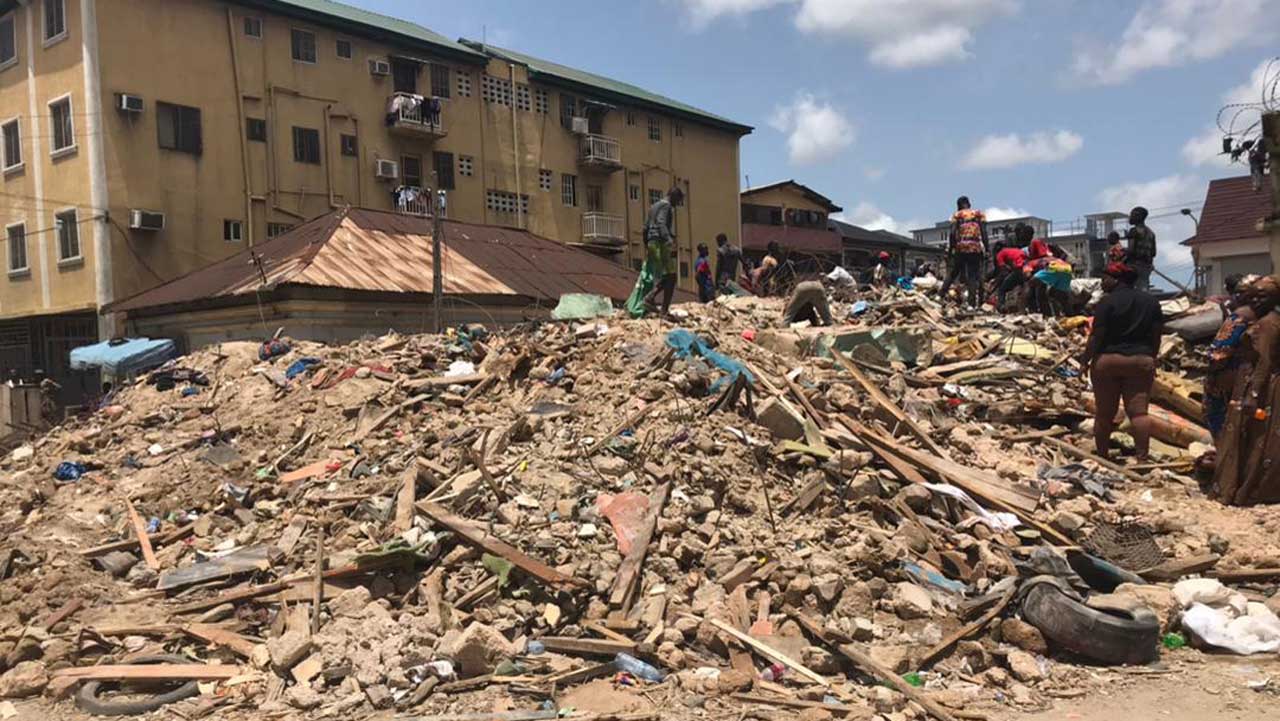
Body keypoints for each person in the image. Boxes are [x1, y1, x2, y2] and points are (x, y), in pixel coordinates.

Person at [1080, 262, 1163, 461]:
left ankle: (1101, 455)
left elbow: (1096, 336)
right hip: (1140, 361)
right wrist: (1151, 357)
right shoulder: (1151, 302)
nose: (1102, 281)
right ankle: (1142, 458)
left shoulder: (1106, 303)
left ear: (1116, 279)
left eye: (1105, 277)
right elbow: (1157, 334)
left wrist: (1085, 360)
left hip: (1108, 362)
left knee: (1104, 414)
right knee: (1139, 414)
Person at [1209, 275, 1280, 505]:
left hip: (1259, 385)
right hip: (1257, 383)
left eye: (1263, 295)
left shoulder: (1266, 323)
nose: (1257, 299)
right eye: (1254, 294)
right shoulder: (1267, 319)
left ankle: (1245, 489)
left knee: (1252, 437)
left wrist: (1253, 394)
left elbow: (1264, 361)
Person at [1203, 276, 1264, 440]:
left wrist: (1209, 370)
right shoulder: (1271, 316)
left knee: (1225, 427)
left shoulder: (1241, 316)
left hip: (1233, 382)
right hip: (1262, 381)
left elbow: (1218, 354)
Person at [938, 196, 988, 308]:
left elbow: (952, 234)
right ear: (969, 204)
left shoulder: (957, 215)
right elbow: (984, 233)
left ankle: (940, 294)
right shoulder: (979, 214)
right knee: (972, 276)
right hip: (975, 247)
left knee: (954, 272)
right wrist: (987, 249)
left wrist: (951, 249)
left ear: (958, 206)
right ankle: (971, 304)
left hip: (961, 247)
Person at [641, 186, 683, 317]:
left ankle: (650, 299)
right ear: (674, 197)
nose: (677, 205)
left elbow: (645, 228)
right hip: (660, 243)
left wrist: (647, 244)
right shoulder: (666, 206)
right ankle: (662, 309)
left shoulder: (653, 207)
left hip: (652, 243)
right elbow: (661, 223)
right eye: (678, 201)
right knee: (671, 276)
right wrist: (668, 239)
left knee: (666, 276)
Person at [1125, 207, 1157, 291]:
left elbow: (1131, 251)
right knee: (1143, 288)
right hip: (1146, 267)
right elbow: (1153, 253)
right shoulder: (1151, 233)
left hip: (1134, 266)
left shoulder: (1133, 231)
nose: (1130, 217)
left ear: (1137, 216)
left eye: (1131, 215)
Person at [992, 240, 1028, 311]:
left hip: (1019, 270)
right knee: (1023, 289)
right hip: (1027, 268)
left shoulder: (1000, 254)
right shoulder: (1015, 250)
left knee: (1002, 290)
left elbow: (1003, 272)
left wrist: (995, 286)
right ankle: (1025, 308)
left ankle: (1001, 307)